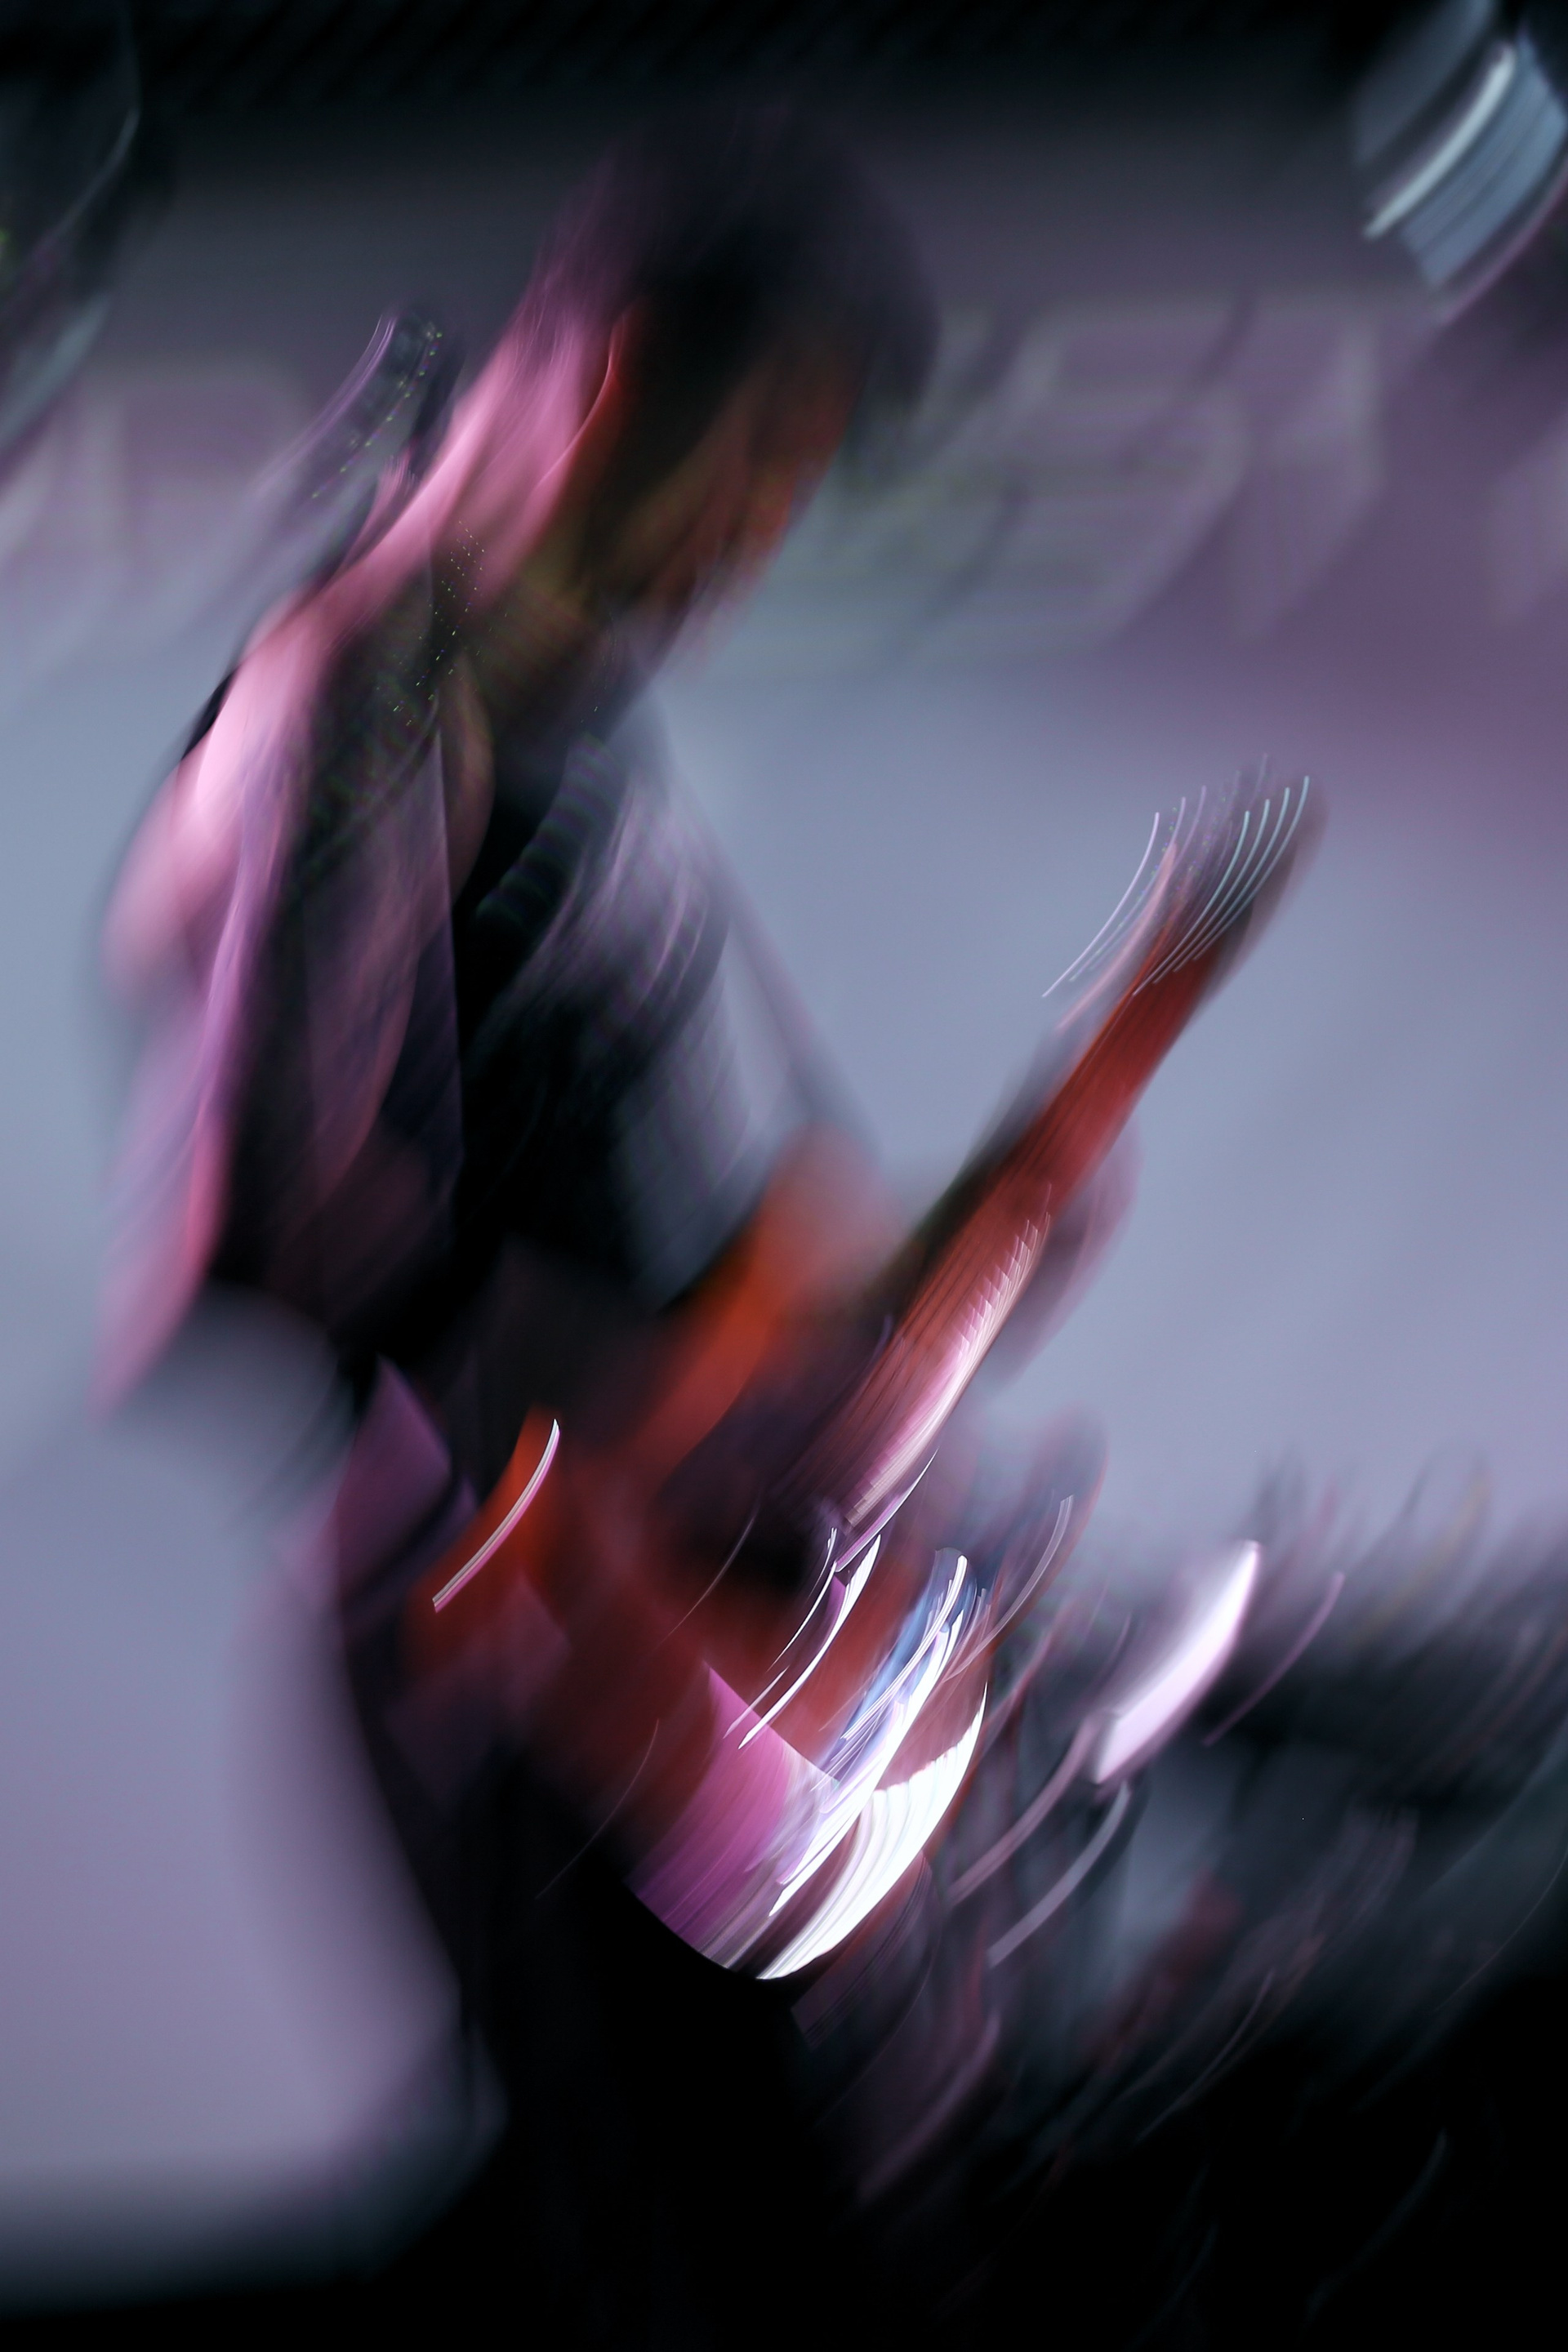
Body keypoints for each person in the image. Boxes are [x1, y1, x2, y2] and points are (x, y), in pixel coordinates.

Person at [101, 103, 1568, 2350]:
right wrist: (678, 1467)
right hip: (571, 1670)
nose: (757, 538)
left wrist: (1090, 1084)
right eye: (760, 462)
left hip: (700, 1639)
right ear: (618, 374)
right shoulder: (371, 682)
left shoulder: (545, 753)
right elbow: (266, 1246)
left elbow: (781, 1351)